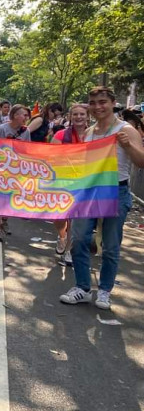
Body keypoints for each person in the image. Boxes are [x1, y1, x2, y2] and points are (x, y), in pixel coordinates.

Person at [59, 87, 144, 310]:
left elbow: (141, 162)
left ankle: (105, 290)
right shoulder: (89, 132)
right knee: (78, 240)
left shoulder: (126, 129)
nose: (98, 106)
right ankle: (83, 287)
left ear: (113, 102)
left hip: (117, 192)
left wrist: (128, 145)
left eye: (102, 102)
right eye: (93, 102)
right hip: (90, 192)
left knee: (110, 246)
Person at [50, 103, 89, 264]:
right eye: (75, 114)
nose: (79, 117)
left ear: (88, 116)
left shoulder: (95, 135)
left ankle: (69, 251)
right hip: (62, 180)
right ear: (70, 117)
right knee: (60, 217)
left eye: (82, 114)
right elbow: (50, 156)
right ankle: (62, 237)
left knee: (74, 217)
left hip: (83, 182)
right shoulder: (60, 135)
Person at [0, 104, 31, 242]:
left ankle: (4, 219)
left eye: (26, 115)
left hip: (16, 169)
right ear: (14, 115)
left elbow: (28, 149)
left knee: (11, 197)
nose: (26, 118)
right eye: (23, 115)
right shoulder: (1, 129)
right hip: (1, 167)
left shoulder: (26, 131)